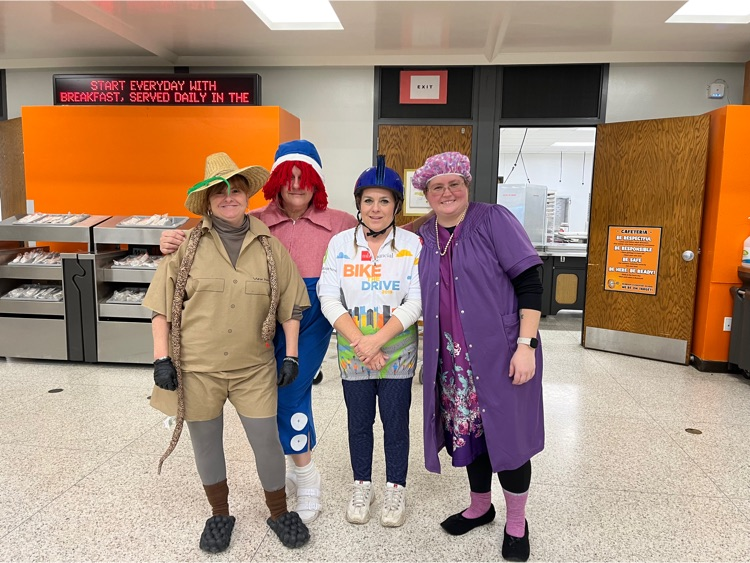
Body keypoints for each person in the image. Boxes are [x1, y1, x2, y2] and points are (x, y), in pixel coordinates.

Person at [159, 140, 357, 524]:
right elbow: (204, 235)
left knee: (291, 390)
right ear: (277, 182)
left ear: (317, 181)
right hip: (257, 316)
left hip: (312, 315)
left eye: (305, 177)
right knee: (266, 397)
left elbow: (383, 234)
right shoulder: (256, 218)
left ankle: (305, 474)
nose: (297, 185)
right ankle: (289, 465)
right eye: (289, 177)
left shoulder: (342, 222)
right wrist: (167, 240)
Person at [143, 152, 312, 553]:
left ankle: (278, 512)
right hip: (198, 369)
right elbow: (161, 308)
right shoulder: (184, 249)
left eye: (235, 190)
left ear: (247, 196)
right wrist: (161, 358)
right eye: (219, 192)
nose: (228, 197)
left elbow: (290, 305)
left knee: (266, 441)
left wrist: (290, 356)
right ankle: (219, 514)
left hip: (254, 368)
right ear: (207, 201)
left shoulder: (270, 248)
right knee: (206, 444)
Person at [411, 152, 544, 562]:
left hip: (503, 353)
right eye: (438, 186)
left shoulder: (493, 220)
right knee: (469, 434)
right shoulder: (418, 235)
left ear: (467, 186)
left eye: (455, 184)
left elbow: (530, 282)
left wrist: (527, 345)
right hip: (451, 361)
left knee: (509, 438)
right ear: (426, 193)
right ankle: (481, 506)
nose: (447, 192)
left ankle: (516, 522)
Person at [317, 156, 422, 528]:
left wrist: (377, 340)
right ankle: (363, 484)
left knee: (396, 423)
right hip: (352, 349)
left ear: (396, 205)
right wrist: (362, 342)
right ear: (358, 204)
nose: (376, 209)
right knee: (358, 423)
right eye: (368, 201)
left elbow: (417, 300)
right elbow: (328, 296)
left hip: (398, 351)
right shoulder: (340, 244)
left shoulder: (412, 244)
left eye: (384, 201)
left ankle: (396, 487)